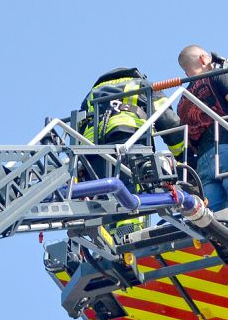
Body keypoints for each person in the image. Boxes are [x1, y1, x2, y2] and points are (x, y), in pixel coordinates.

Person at [79, 67, 185, 237]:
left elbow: (79, 125)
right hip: (128, 143)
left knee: (104, 202)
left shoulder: (91, 94)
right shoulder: (141, 84)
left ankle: (110, 243)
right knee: (132, 196)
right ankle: (130, 238)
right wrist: (182, 154)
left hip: (92, 153)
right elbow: (169, 122)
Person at [176, 45, 228, 211]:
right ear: (204, 59)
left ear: (186, 73)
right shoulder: (216, 76)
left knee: (215, 222)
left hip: (204, 161)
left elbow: (188, 141)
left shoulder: (182, 102)